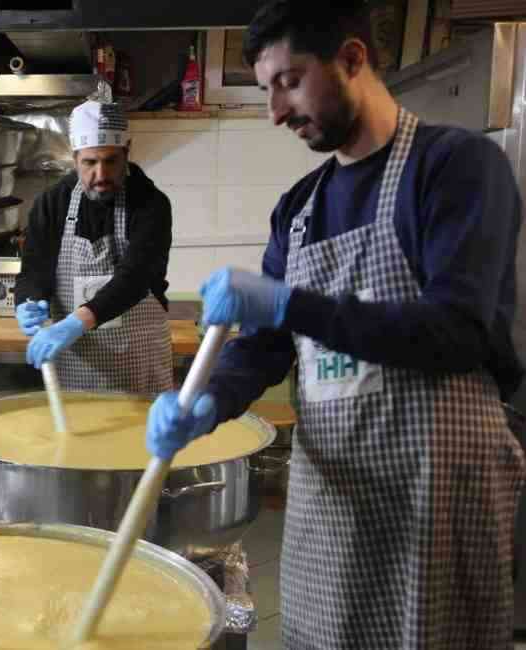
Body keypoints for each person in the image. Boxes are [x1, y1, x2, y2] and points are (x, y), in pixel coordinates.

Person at [145, 2, 526, 647]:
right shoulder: (299, 209)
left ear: (352, 59)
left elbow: (456, 330)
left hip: (432, 498)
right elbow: (264, 350)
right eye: (266, 90)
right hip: (333, 498)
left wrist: (290, 303)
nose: (275, 111)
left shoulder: (454, 168)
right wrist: (205, 404)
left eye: (289, 82)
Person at [13, 99, 175, 394]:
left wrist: (75, 323)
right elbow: (34, 270)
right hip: (75, 363)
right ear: (74, 158)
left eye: (111, 160)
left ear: (127, 152)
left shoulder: (151, 203)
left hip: (137, 363)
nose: (100, 175)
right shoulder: (53, 202)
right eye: (90, 162)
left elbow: (135, 278)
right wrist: (27, 301)